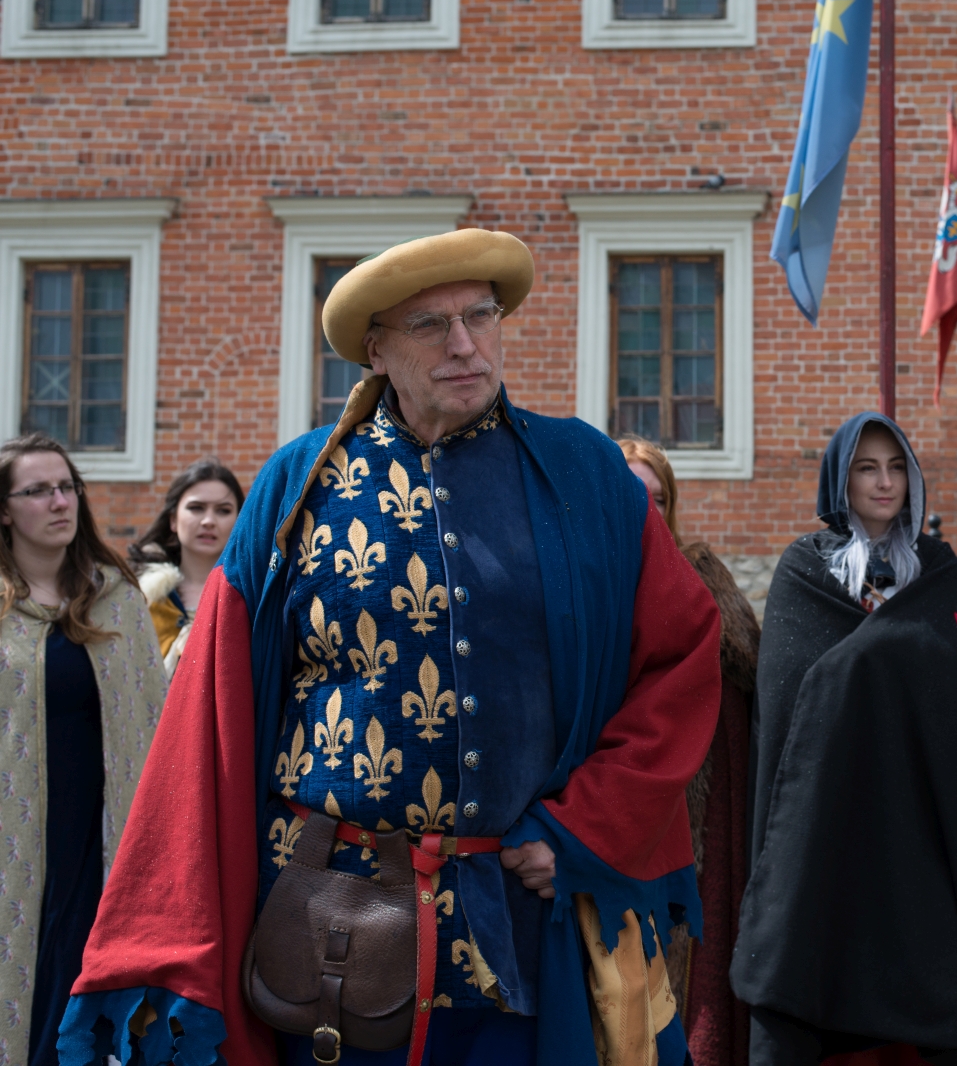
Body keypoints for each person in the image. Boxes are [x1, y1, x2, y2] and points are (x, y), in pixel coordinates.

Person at [58, 229, 722, 1066]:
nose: (464, 344)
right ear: (375, 351)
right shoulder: (299, 481)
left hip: (521, 929)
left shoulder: (583, 474)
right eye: (429, 325)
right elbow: (212, 700)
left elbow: (681, 656)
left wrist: (585, 828)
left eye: (481, 316)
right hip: (326, 924)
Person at [733, 412, 957, 1066]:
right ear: (841, 480)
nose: (884, 483)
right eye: (867, 468)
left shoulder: (937, 569)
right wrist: (893, 657)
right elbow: (793, 696)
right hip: (828, 814)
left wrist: (885, 659)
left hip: (922, 809)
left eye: (895, 468)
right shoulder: (805, 568)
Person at [0, 432, 167, 1066]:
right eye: (37, 490)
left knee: (83, 1017)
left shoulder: (117, 599)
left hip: (101, 841)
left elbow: (152, 726)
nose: (59, 501)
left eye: (67, 486)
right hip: (13, 844)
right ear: (4, 509)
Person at [618, 435, 758, 1066]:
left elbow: (748, 673)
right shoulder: (584, 581)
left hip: (693, 811)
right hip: (607, 809)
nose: (645, 507)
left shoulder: (700, 578)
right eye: (632, 494)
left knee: (688, 976)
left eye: (658, 497)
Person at [129, 459, 244, 674]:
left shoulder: (251, 596)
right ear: (173, 519)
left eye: (223, 510)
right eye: (196, 508)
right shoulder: (139, 595)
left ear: (239, 521)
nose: (208, 521)